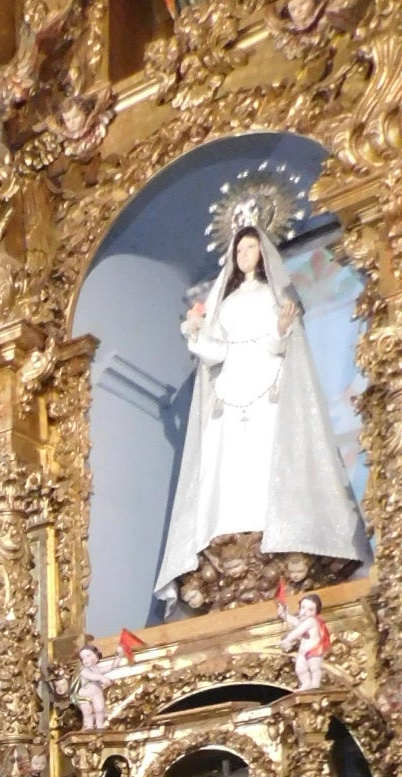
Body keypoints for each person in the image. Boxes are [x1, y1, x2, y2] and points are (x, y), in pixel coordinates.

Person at [155, 214, 367, 607]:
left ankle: (281, 533)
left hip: (268, 387)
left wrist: (282, 331)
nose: (245, 254)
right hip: (230, 393)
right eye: (239, 249)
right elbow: (215, 352)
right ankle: (230, 533)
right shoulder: (227, 302)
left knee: (268, 456)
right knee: (229, 468)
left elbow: (277, 345)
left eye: (251, 247)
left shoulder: (273, 296)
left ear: (262, 253)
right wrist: (197, 332)